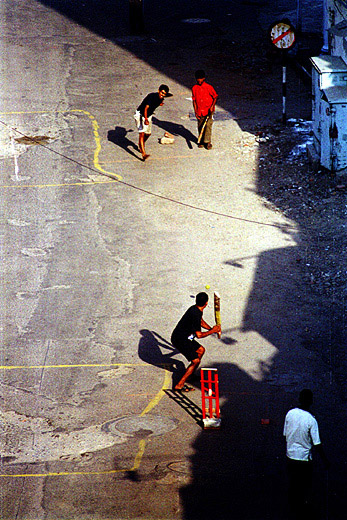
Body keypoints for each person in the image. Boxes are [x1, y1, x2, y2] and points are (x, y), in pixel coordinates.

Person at [283, 389, 330, 520]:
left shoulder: (290, 414)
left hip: (290, 456)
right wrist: (325, 461)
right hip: (304, 459)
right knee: (305, 486)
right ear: (310, 401)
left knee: (293, 484)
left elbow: (285, 435)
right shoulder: (311, 420)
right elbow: (317, 444)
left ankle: (292, 509)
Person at [171, 292, 221, 391]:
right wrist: (212, 331)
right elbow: (199, 335)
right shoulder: (195, 313)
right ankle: (180, 385)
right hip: (180, 340)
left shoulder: (195, 309)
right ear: (206, 303)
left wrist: (211, 328)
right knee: (195, 361)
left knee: (201, 350)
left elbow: (201, 321)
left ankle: (190, 375)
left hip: (184, 337)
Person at [134, 84, 170, 160]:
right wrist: (146, 119)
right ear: (158, 91)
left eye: (164, 94)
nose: (162, 95)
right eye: (162, 93)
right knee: (142, 133)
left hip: (149, 115)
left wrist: (159, 104)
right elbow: (146, 108)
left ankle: (141, 144)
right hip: (141, 114)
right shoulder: (151, 97)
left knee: (148, 133)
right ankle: (143, 153)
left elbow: (157, 103)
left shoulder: (161, 99)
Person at [192, 70, 218, 150]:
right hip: (200, 110)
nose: (199, 81)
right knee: (200, 126)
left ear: (204, 78)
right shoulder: (194, 88)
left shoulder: (209, 87)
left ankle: (208, 142)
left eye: (201, 79)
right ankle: (201, 141)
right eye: (198, 79)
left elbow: (215, 97)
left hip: (208, 110)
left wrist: (212, 106)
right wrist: (195, 111)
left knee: (208, 125)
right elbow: (194, 101)